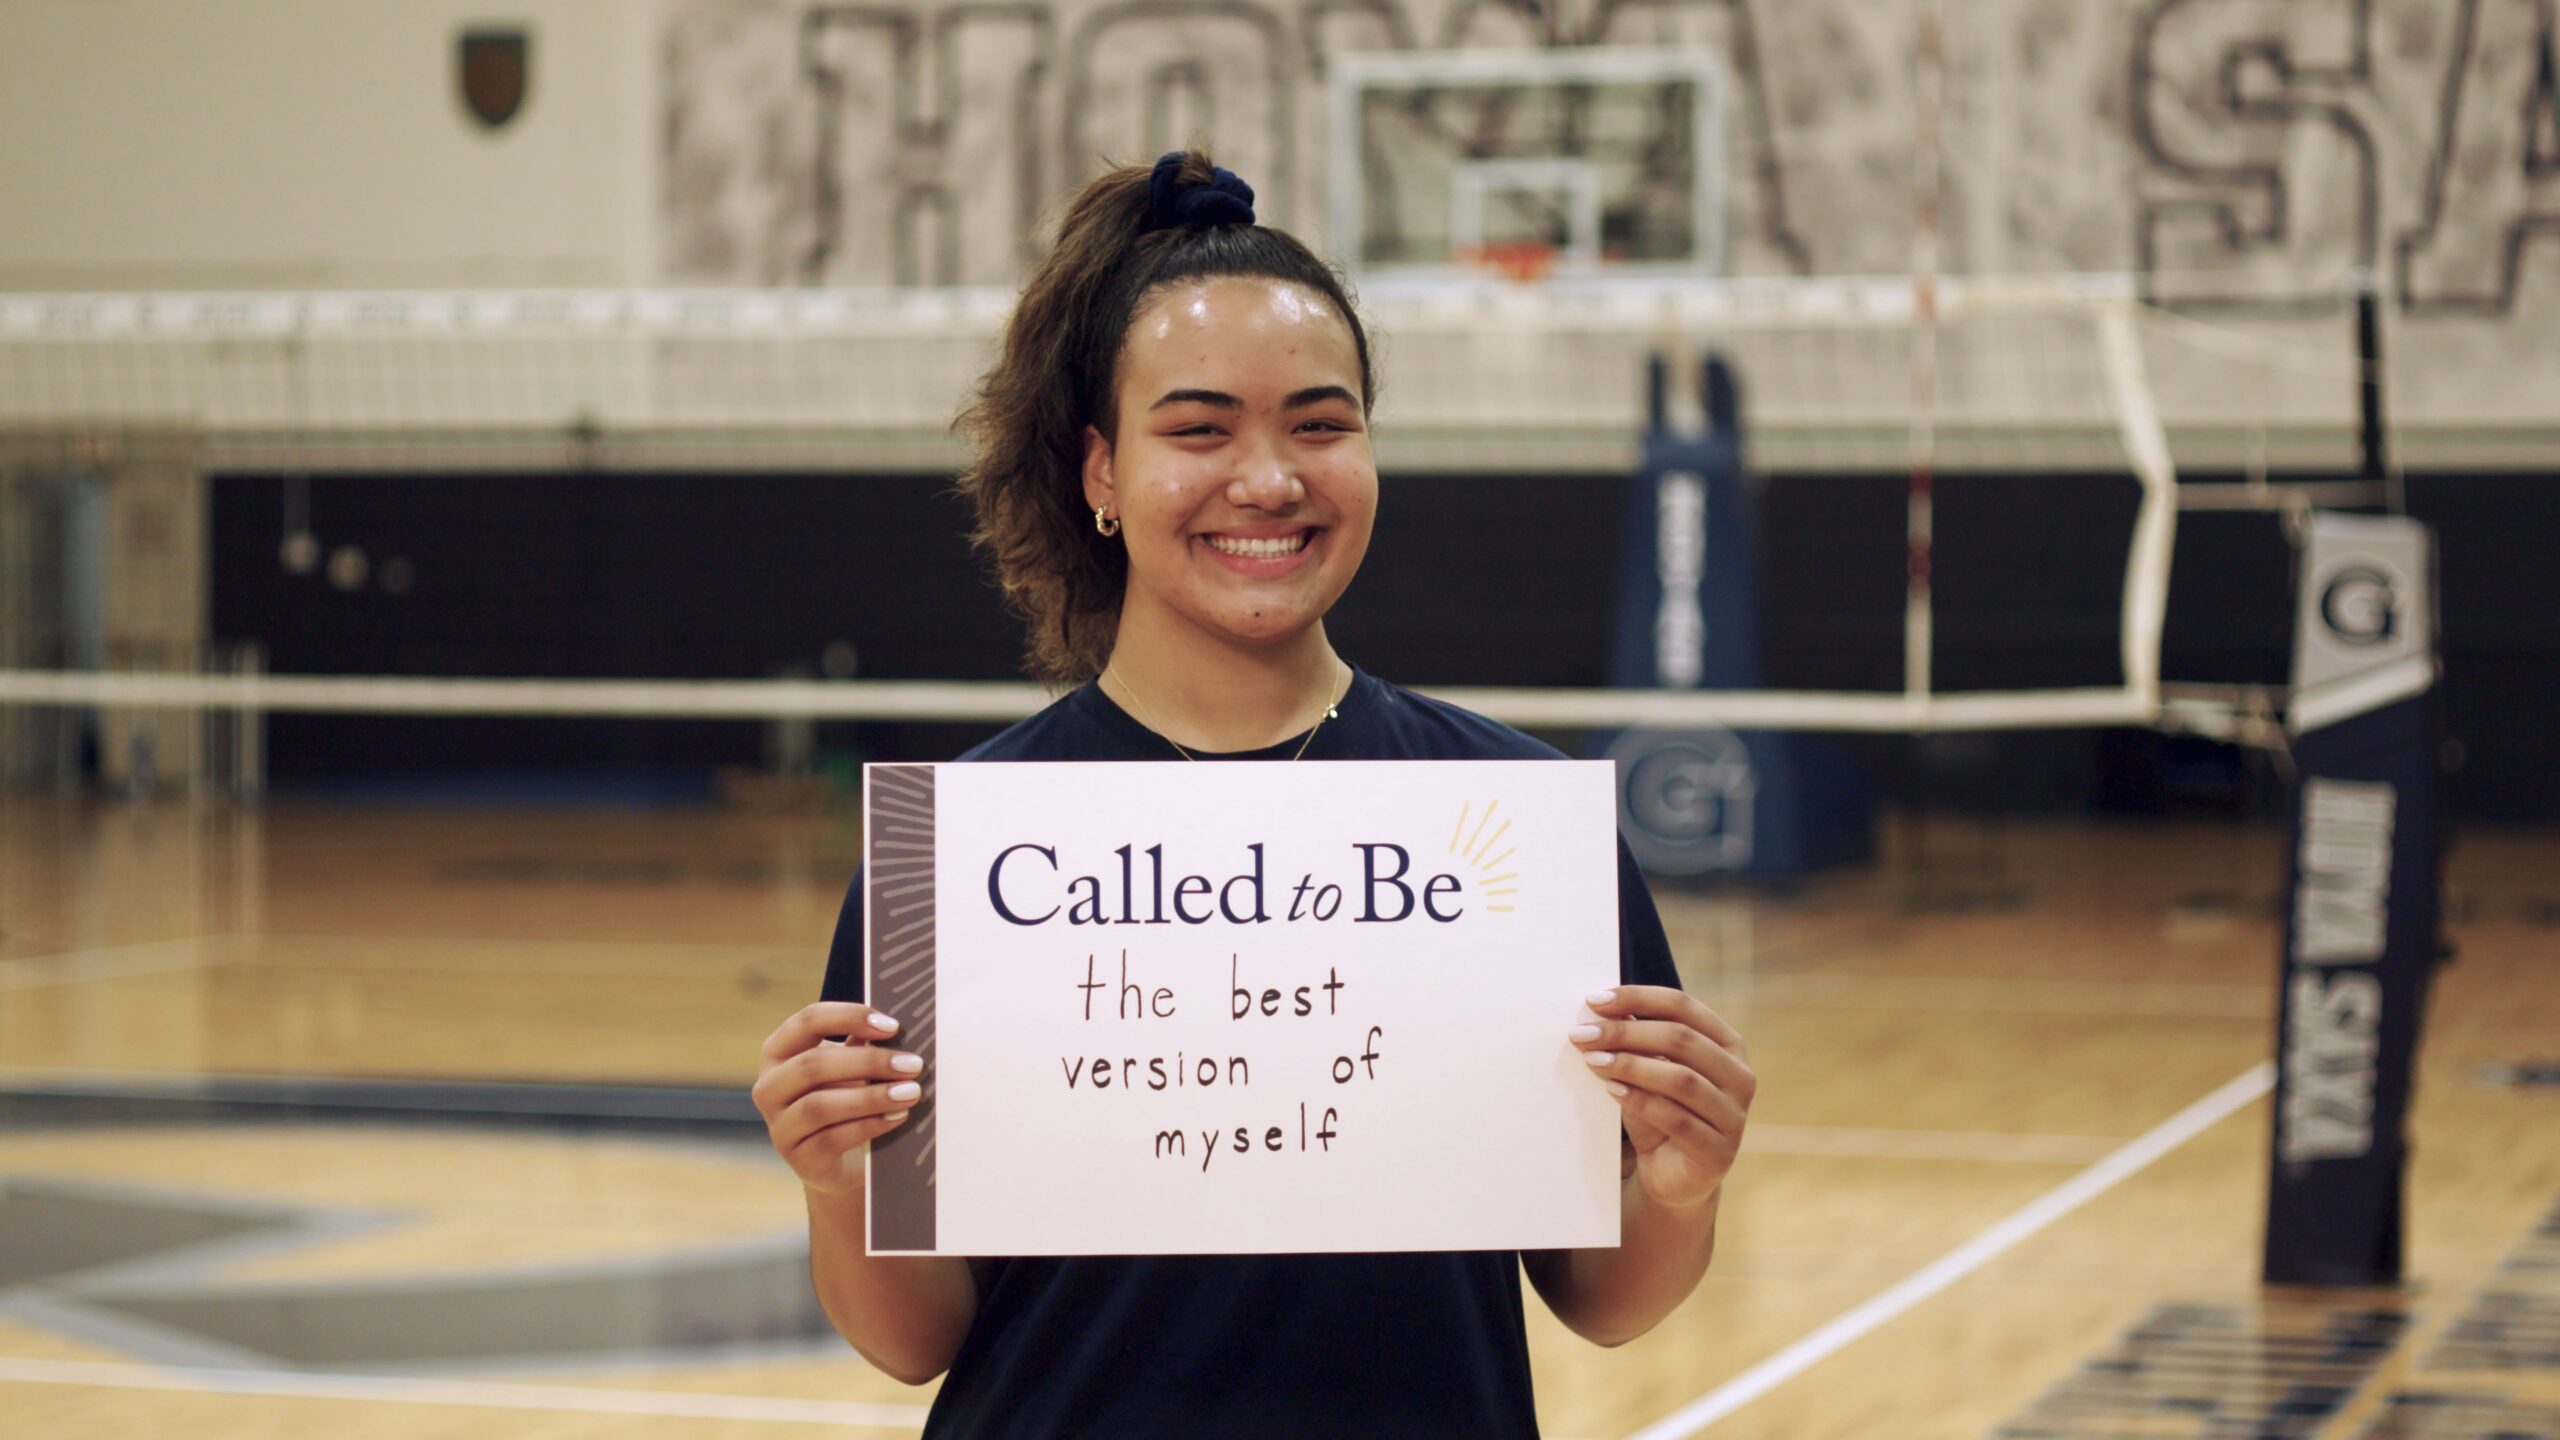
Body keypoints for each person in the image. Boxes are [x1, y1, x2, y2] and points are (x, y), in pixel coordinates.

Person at [751, 150, 1755, 1439]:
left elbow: (1603, 1303)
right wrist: (842, 1188)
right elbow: (912, 1342)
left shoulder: (1514, 817)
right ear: (1101, 473)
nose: (1271, 479)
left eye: (1322, 424)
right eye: (1200, 428)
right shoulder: (961, 845)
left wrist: (1680, 1183)